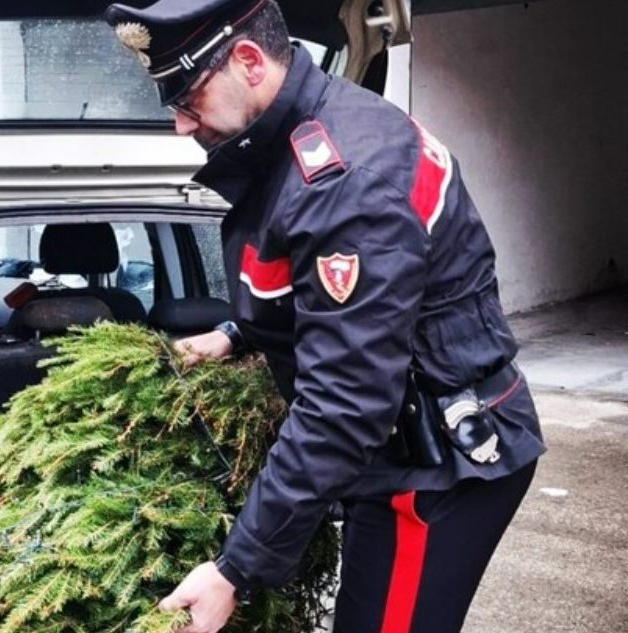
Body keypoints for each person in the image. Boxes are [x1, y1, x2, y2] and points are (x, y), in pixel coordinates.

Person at [102, 1, 546, 632]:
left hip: (438, 471)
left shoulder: (347, 180)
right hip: (398, 444)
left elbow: (345, 405)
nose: (179, 123)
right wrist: (236, 333)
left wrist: (234, 568)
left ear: (249, 62)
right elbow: (314, 288)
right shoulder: (300, 132)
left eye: (188, 96)